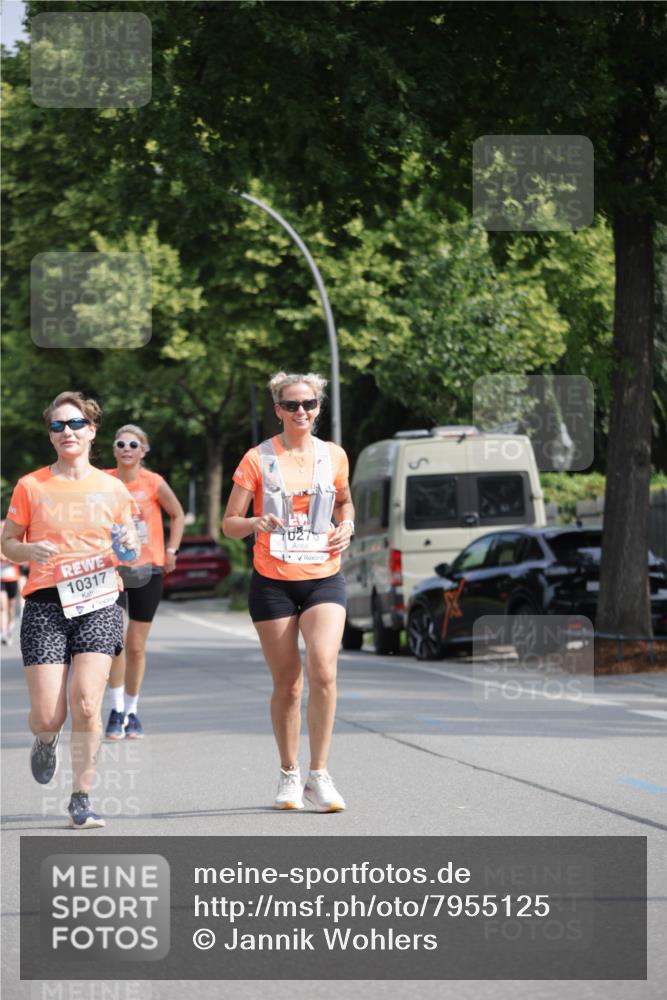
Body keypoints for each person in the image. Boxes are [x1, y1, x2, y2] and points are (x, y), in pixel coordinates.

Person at [0, 391, 140, 829]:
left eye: (76, 424)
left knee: (86, 703)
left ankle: (81, 797)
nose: (67, 432)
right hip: (46, 603)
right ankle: (46, 740)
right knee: (48, 715)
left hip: (99, 601)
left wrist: (129, 545)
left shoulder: (113, 488)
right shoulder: (32, 485)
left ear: (92, 430)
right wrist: (28, 549)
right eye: (58, 426)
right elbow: (8, 542)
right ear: (50, 435)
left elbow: (130, 547)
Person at [223, 371, 355, 812]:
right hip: (273, 581)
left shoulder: (333, 455)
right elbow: (230, 523)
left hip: (324, 576)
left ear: (318, 408)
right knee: (289, 684)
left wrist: (348, 525)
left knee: (324, 668)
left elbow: (344, 502)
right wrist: (255, 522)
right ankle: (289, 772)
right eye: (293, 405)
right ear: (278, 409)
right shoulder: (257, 458)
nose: (302, 411)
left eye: (309, 404)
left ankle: (320, 774)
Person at [104, 424, 185, 739]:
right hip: (112, 570)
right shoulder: (103, 481)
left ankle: (132, 710)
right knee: (115, 641)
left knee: (136, 646)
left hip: (147, 570)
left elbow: (177, 514)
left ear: (143, 451)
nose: (126, 449)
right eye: (121, 443)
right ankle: (116, 710)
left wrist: (171, 550)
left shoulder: (153, 482)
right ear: (114, 449)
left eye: (133, 444)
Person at [1, 522, 21, 644]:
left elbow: (21, 560)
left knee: (10, 608)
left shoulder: (13, 543)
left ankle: (9, 629)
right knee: (2, 606)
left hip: (12, 578)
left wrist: (10, 559)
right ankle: (3, 632)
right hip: (1, 579)